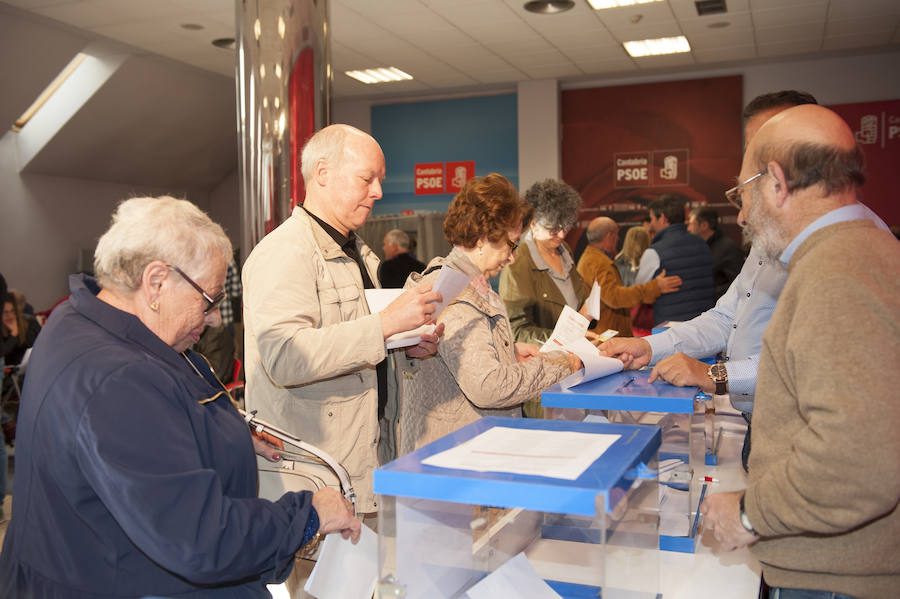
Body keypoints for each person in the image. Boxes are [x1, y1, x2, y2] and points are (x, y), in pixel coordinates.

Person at [0, 196, 361, 598]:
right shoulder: (118, 379)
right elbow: (199, 539)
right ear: (156, 282)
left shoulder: (80, 319)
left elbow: (133, 435)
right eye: (209, 300)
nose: (212, 320)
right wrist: (308, 515)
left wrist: (220, 430)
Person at [598, 90, 890, 469]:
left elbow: (813, 371)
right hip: (769, 427)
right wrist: (653, 347)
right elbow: (725, 318)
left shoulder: (851, 249)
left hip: (808, 445)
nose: (742, 214)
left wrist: (713, 375)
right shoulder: (775, 240)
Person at [700, 104, 900, 599]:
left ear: (776, 183)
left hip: (833, 577)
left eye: (742, 193)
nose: (742, 215)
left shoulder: (836, 271)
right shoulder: (863, 252)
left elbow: (858, 461)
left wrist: (748, 511)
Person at [242, 124, 442, 521]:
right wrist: (385, 325)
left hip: (363, 461)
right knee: (322, 586)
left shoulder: (357, 252)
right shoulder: (284, 253)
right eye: (367, 179)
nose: (378, 192)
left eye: (380, 180)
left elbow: (350, 344)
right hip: (316, 480)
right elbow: (285, 357)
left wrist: (403, 344)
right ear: (322, 174)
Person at [398, 174, 581, 453]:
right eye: (511, 244)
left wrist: (508, 352)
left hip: (465, 445)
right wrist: (563, 364)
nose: (513, 257)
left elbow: (462, 358)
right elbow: (487, 387)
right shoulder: (452, 293)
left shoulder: (468, 285)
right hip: (458, 454)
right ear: (484, 237)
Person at [499, 178, 588, 345]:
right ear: (533, 224)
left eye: (565, 227)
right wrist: (565, 339)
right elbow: (517, 331)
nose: (561, 235)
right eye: (553, 230)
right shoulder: (517, 265)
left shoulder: (565, 250)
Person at [576, 217, 682, 337]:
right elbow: (615, 297)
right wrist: (654, 287)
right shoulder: (597, 262)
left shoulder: (593, 258)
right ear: (609, 236)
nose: (618, 239)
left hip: (608, 333)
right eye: (616, 235)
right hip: (607, 336)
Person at [634, 194, 714, 325]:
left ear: (663, 219)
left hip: (670, 330)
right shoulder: (702, 244)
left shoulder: (654, 252)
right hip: (703, 325)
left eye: (653, 219)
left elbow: (638, 291)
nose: (651, 225)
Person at [195, 257, 242, 384]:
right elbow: (237, 291)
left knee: (223, 359)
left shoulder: (196, 262)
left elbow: (213, 378)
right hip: (226, 319)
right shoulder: (228, 260)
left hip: (209, 325)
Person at [687, 206, 745, 299]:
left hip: (722, 308)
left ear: (704, 225)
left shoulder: (728, 248)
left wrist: (708, 292)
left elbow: (739, 283)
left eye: (691, 224)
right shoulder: (698, 247)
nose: (688, 229)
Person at [1, 293, 41, 367]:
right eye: (5, 312)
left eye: (12, 311)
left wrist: (18, 331)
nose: (10, 316)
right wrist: (13, 335)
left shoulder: (28, 322)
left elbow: (34, 346)